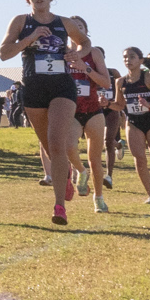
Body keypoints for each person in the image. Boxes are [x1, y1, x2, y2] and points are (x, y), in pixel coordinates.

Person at [0, 0, 87, 225]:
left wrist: (77, 55)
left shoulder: (64, 23)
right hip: (34, 88)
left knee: (57, 143)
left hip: (62, 87)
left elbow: (85, 42)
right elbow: (4, 53)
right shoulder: (20, 21)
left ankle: (59, 206)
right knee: (49, 146)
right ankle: (65, 175)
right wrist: (30, 38)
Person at [66, 16, 113, 213]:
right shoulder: (62, 54)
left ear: (86, 31)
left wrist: (86, 69)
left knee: (95, 159)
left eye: (81, 27)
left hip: (93, 110)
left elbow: (106, 82)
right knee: (68, 145)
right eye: (73, 28)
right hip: (71, 111)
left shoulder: (93, 53)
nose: (77, 31)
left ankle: (98, 198)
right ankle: (81, 171)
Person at [115, 49, 150, 205]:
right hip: (133, 123)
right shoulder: (120, 82)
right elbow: (120, 105)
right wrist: (107, 104)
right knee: (139, 159)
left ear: (141, 60)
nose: (128, 60)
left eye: (132, 57)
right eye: (125, 57)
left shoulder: (149, 78)